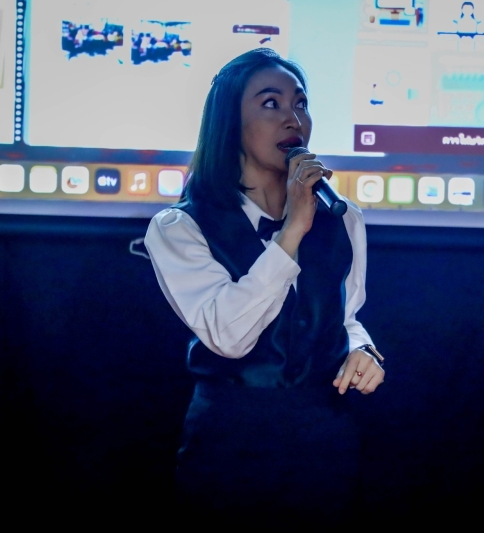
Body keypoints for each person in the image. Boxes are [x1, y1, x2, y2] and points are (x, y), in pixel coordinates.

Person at [144, 48, 384, 517]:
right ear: (229, 123)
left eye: (301, 103)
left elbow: (346, 317)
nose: (293, 118)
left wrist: (363, 350)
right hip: (231, 436)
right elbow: (228, 336)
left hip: (324, 433)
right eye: (271, 103)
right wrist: (292, 231)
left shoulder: (344, 218)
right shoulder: (180, 227)